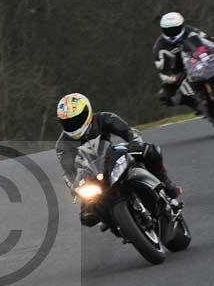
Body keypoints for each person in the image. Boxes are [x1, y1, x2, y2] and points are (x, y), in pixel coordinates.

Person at [55, 93, 180, 227]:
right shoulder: (63, 145)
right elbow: (68, 170)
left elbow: (128, 131)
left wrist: (135, 142)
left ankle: (166, 184)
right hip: (91, 174)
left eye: (77, 119)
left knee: (150, 151)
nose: (73, 125)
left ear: (87, 112)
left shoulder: (104, 118)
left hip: (113, 156)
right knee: (87, 218)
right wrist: (76, 186)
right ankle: (113, 221)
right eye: (67, 122)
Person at [153, 11, 214, 110]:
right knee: (176, 93)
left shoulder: (189, 30)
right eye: (169, 30)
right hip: (182, 71)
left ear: (181, 25)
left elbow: (209, 39)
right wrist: (172, 78)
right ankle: (206, 107)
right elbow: (162, 69)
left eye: (176, 28)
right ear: (163, 30)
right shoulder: (159, 47)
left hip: (201, 58)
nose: (173, 32)